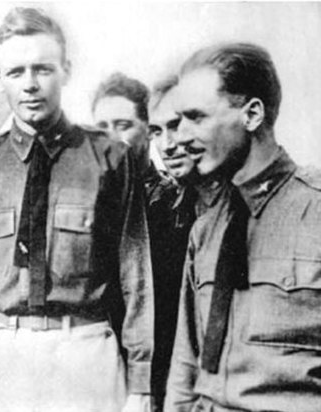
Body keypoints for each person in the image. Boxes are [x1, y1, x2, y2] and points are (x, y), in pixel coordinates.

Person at [0, 7, 153, 412]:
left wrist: (141, 384)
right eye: (16, 72)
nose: (30, 85)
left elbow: (136, 277)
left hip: (84, 353)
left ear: (66, 71)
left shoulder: (110, 159)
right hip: (0, 357)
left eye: (42, 69)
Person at [165, 42, 321, 412]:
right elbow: (186, 365)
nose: (180, 136)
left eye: (196, 117)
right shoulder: (206, 228)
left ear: (252, 115)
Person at [146, 74, 224, 412]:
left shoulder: (240, 210)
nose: (166, 145)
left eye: (175, 126)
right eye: (156, 131)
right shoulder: (160, 212)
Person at [92, 73, 151, 175]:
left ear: (149, 130)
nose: (110, 137)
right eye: (102, 129)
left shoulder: (170, 190)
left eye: (122, 126)